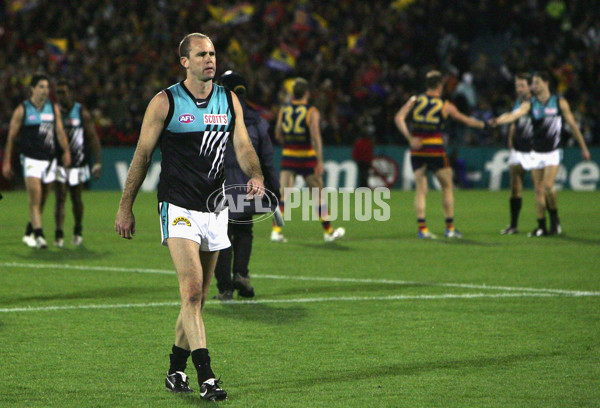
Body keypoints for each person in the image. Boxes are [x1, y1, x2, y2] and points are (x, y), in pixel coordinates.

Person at [115, 33, 265, 401]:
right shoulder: (165, 102)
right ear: (185, 61)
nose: (209, 59)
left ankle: (174, 370)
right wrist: (125, 206)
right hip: (178, 206)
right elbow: (142, 156)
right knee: (193, 290)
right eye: (202, 54)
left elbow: (242, 144)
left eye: (213, 53)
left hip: (215, 209)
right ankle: (207, 377)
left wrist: (256, 174)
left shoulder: (228, 100)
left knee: (196, 301)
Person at [492, 70, 591, 236]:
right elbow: (514, 115)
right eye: (533, 83)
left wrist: (584, 148)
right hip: (536, 152)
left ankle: (555, 219)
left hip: (553, 151)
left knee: (548, 187)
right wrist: (498, 120)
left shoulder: (559, 102)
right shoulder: (530, 104)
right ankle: (542, 226)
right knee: (539, 190)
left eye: (537, 83)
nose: (533, 86)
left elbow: (573, 126)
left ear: (546, 83)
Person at [212, 70, 280, 301]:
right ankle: (241, 273)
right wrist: (275, 191)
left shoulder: (213, 116)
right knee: (244, 230)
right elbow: (268, 160)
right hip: (250, 186)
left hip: (220, 186)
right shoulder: (257, 121)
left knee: (221, 235)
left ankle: (225, 287)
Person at [395, 70, 485, 239]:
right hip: (435, 149)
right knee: (447, 186)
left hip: (417, 149)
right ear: (439, 86)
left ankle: (422, 229)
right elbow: (465, 119)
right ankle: (449, 228)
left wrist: (409, 138)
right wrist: (483, 125)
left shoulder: (415, 100)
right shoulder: (445, 105)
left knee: (421, 189)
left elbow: (399, 118)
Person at [271, 77, 345, 243]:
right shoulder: (312, 111)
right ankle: (328, 232)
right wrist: (320, 160)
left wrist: (289, 143)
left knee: (283, 194)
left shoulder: (284, 110)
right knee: (318, 194)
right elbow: (315, 137)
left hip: (289, 155)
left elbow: (277, 134)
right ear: (306, 93)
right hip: (306, 157)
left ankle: (276, 231)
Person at [2, 74, 71, 249]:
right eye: (41, 86)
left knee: (42, 200)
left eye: (47, 87)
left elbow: (60, 131)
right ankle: (40, 236)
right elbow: (11, 137)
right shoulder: (23, 109)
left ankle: (28, 232)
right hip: (30, 159)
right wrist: (6, 162)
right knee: (35, 197)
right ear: (32, 88)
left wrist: (66, 151)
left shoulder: (52, 108)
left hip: (49, 159)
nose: (45, 90)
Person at [53, 78, 102, 247]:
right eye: (58, 93)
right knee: (60, 197)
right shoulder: (54, 113)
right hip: (59, 163)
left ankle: (77, 229)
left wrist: (98, 162)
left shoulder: (81, 112)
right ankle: (59, 233)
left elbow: (93, 138)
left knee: (76, 198)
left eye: (63, 92)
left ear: (70, 93)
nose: (60, 96)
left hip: (78, 162)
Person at [501, 73, 533, 235]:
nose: (518, 88)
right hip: (518, 148)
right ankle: (513, 225)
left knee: (542, 188)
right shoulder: (518, 102)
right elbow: (515, 121)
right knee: (515, 187)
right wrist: (510, 138)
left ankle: (552, 223)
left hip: (535, 149)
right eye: (517, 85)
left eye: (522, 85)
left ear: (530, 86)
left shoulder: (536, 102)